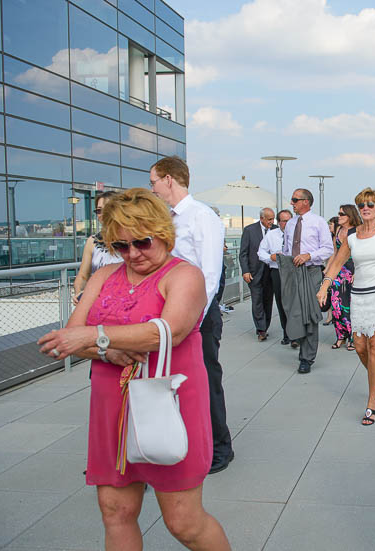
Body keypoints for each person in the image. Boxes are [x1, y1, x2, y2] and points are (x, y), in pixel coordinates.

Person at [37, 188, 230, 551]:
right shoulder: (104, 276)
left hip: (169, 403)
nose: (133, 254)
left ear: (163, 233)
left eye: (142, 242)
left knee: (183, 522)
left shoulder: (184, 275)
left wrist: (95, 337)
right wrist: (106, 350)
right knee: (115, 511)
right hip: (113, 406)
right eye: (122, 246)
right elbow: (72, 334)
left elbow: (168, 331)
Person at [149, 156, 233, 475]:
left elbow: (210, 274)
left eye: (153, 181)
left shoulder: (201, 216)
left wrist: (193, 319)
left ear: (169, 179)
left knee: (206, 380)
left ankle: (220, 448)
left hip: (197, 314)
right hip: (168, 312)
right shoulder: (164, 218)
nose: (153, 188)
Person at [317, 188, 375, 425]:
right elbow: (337, 263)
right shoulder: (351, 236)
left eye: (370, 204)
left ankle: (371, 402)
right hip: (359, 295)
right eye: (362, 205)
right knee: (360, 347)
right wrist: (324, 286)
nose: (366, 208)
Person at [281, 188, 334, 373]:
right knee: (294, 311)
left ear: (306, 201)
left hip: (311, 271)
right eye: (292, 199)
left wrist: (308, 255)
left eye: (295, 200)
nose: (292, 203)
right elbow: (287, 248)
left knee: (310, 315)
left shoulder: (318, 222)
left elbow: (328, 249)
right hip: (292, 273)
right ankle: (298, 341)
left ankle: (307, 357)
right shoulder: (290, 224)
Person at [73, 191, 123, 304]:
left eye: (106, 209)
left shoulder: (131, 240)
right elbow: (82, 275)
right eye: (98, 210)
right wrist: (79, 292)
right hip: (96, 302)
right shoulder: (92, 241)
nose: (101, 214)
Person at [324, 204, 361, 351]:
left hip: (352, 270)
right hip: (338, 271)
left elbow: (361, 254)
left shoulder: (357, 231)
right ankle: (340, 335)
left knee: (350, 305)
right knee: (336, 304)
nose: (338, 216)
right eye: (338, 214)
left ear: (350, 216)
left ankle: (352, 337)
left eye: (341, 214)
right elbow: (334, 252)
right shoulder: (339, 230)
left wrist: (358, 272)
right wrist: (327, 271)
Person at [258, 209, 293, 345]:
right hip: (277, 272)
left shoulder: (298, 234)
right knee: (281, 303)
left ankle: (296, 334)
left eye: (289, 220)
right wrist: (270, 257)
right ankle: (287, 334)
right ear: (279, 222)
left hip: (293, 272)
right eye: (284, 221)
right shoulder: (271, 235)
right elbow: (260, 252)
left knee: (293, 304)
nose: (287, 223)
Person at [240, 208, 275, 341]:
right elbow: (243, 253)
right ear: (262, 218)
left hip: (271, 272)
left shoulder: (276, 230)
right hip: (254, 272)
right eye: (269, 219)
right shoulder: (249, 230)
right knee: (257, 300)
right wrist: (245, 271)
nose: (271, 222)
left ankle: (265, 325)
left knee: (268, 300)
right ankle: (261, 329)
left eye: (273, 219)